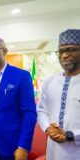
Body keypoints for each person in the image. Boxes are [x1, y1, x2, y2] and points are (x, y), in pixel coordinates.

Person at [37, 29, 80, 160]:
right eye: (61, 51)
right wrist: (48, 128)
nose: (64, 55)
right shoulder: (49, 82)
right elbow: (41, 110)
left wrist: (71, 135)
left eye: (71, 50)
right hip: (54, 151)